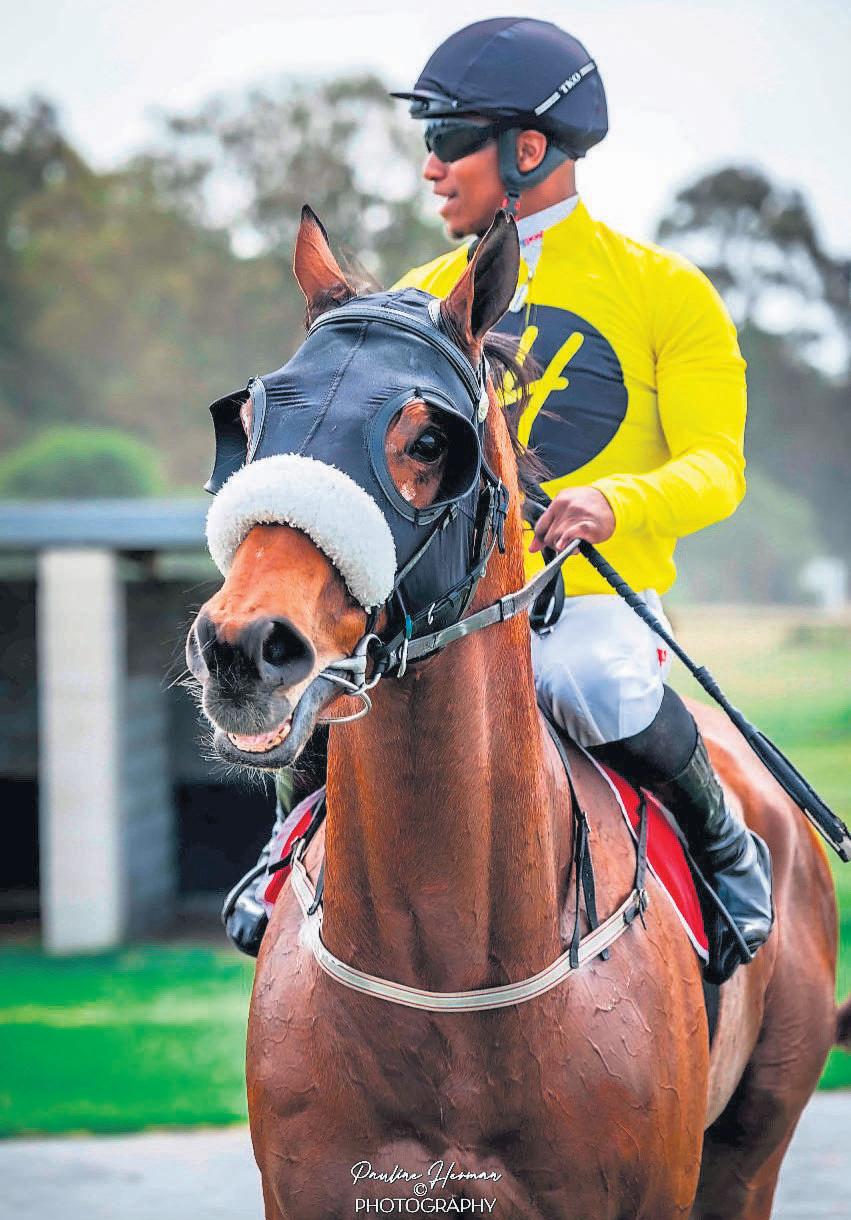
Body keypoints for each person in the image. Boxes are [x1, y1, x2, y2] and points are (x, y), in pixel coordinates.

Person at [225, 17, 773, 983]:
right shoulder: (419, 295)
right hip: (437, 612)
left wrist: (615, 501)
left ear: (527, 150)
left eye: (448, 138)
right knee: (324, 674)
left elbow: (715, 469)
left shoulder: (666, 292)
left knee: (594, 685)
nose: (430, 167)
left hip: (588, 603)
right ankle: (289, 843)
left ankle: (723, 845)